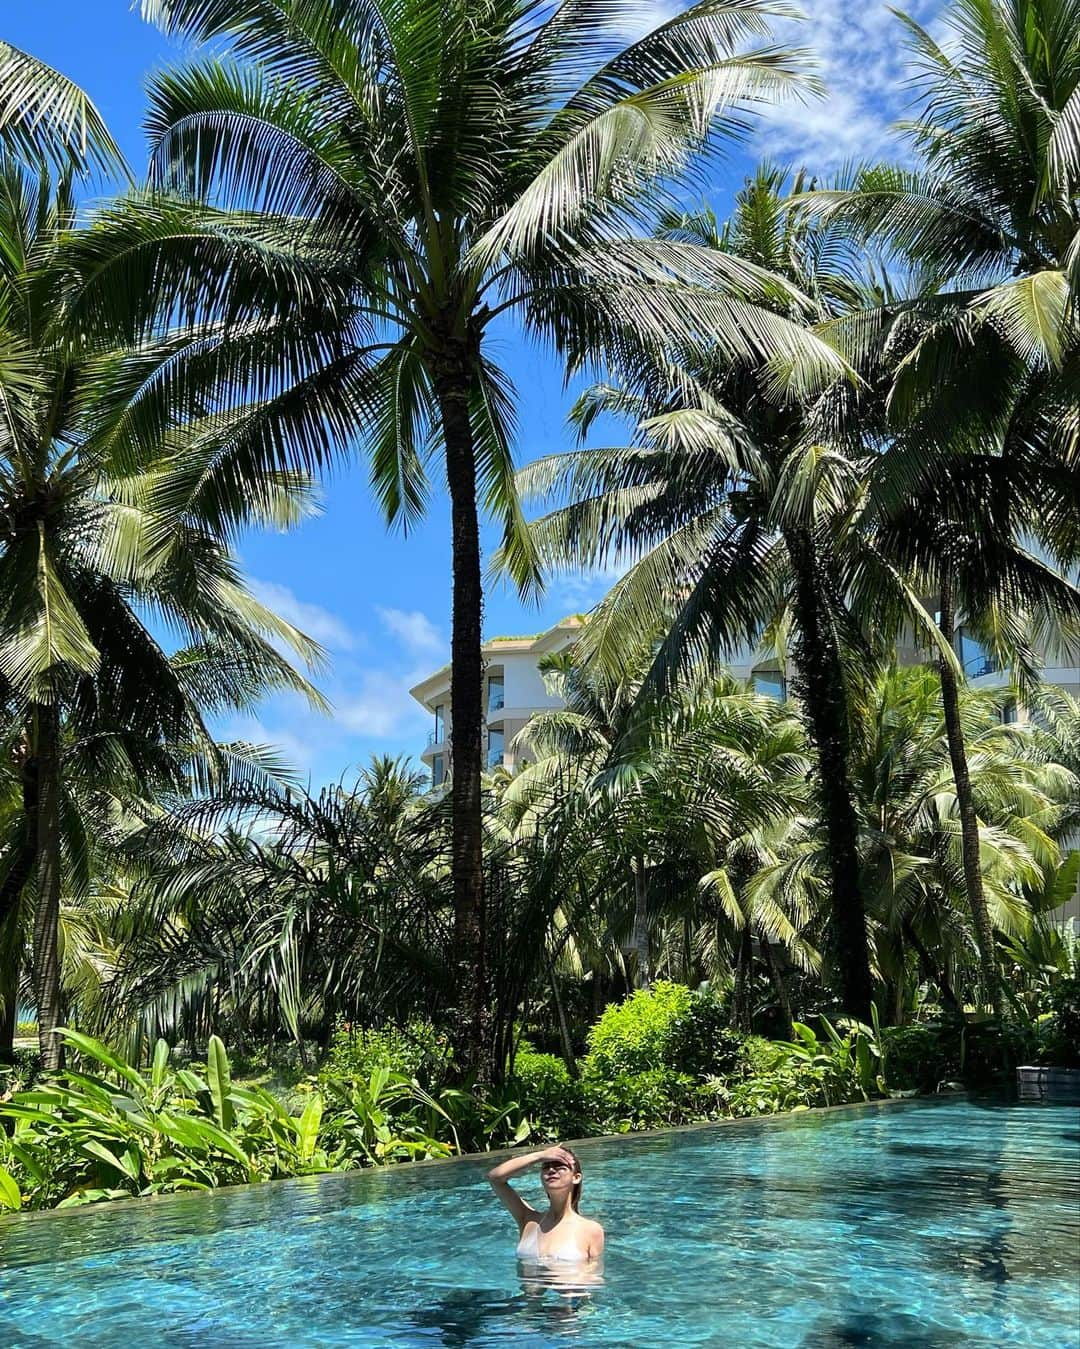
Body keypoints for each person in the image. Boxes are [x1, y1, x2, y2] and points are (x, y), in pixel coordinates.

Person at [486, 1145, 604, 1267]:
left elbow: (593, 1276)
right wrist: (539, 1156)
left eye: (560, 1166)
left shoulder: (590, 1230)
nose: (551, 1170)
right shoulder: (528, 1220)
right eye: (546, 1167)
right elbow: (494, 1178)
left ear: (576, 1177)